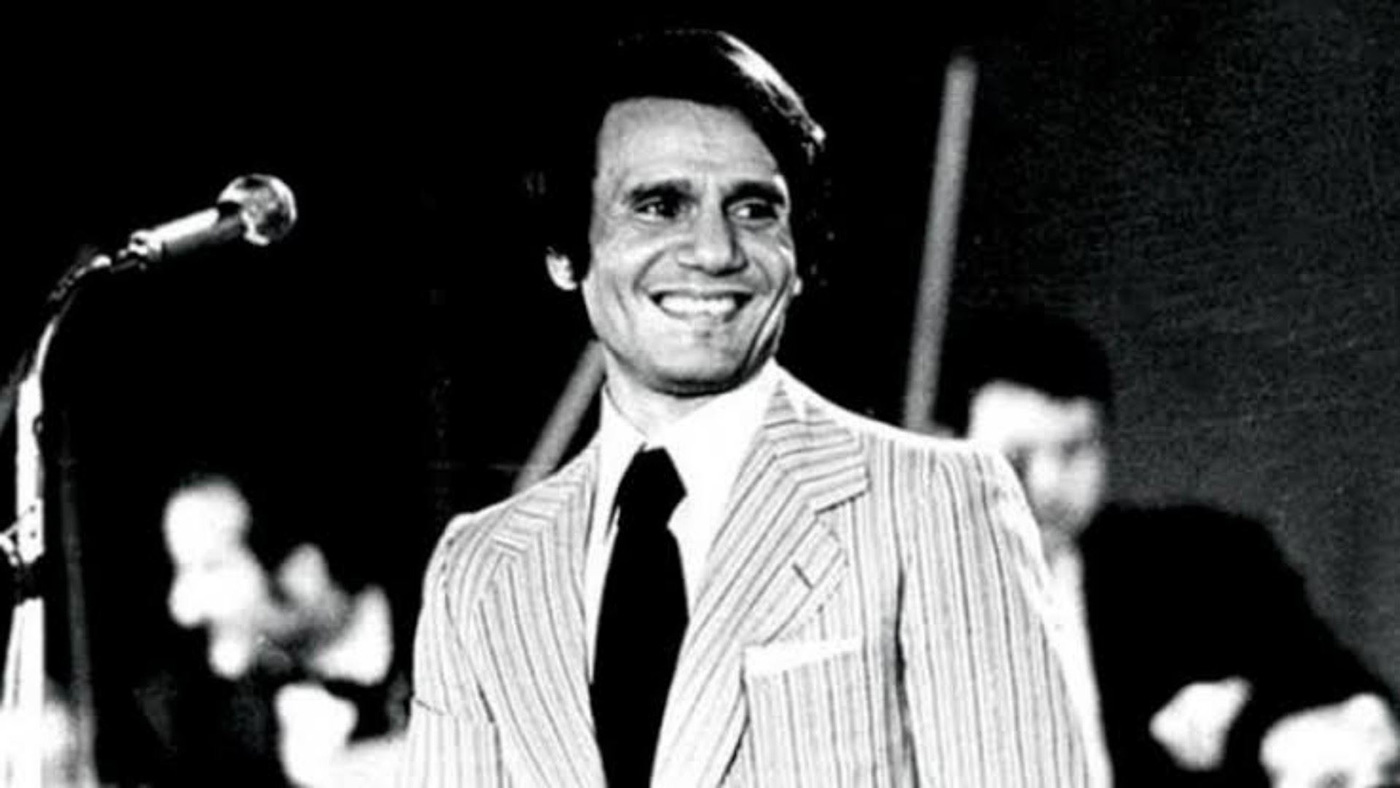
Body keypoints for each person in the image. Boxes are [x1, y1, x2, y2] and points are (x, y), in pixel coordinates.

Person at [401, 28, 1091, 787]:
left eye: (755, 209)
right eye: (659, 206)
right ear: (566, 256)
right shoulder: (478, 570)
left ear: (798, 259)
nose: (714, 250)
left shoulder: (933, 503)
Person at [939, 309, 1400, 787]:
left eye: (1075, 449)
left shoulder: (1205, 559)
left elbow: (1338, 692)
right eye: (1015, 458)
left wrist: (1268, 731)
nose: (1049, 485)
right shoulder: (900, 589)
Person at [144, 471, 408, 787]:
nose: (182, 610)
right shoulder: (204, 725)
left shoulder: (447, 623)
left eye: (212, 567)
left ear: (303, 571)